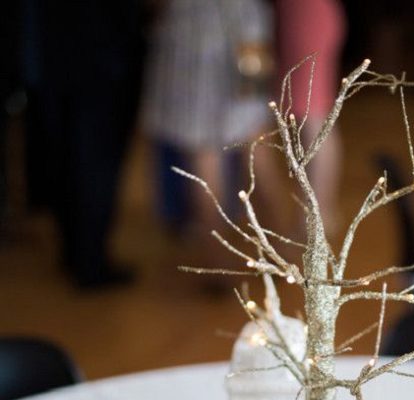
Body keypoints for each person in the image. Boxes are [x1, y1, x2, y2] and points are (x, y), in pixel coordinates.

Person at [142, 0, 279, 268]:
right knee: (255, 142)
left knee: (209, 147)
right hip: (247, 32)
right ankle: (277, 249)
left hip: (198, 37)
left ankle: (219, 260)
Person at [25, 0, 146, 289]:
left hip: (55, 62)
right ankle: (90, 261)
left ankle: (74, 252)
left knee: (67, 156)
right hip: (101, 63)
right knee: (95, 164)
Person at [276, 0, 347, 237]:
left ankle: (320, 212)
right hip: (302, 18)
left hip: (308, 20)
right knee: (312, 117)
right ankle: (318, 210)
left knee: (314, 117)